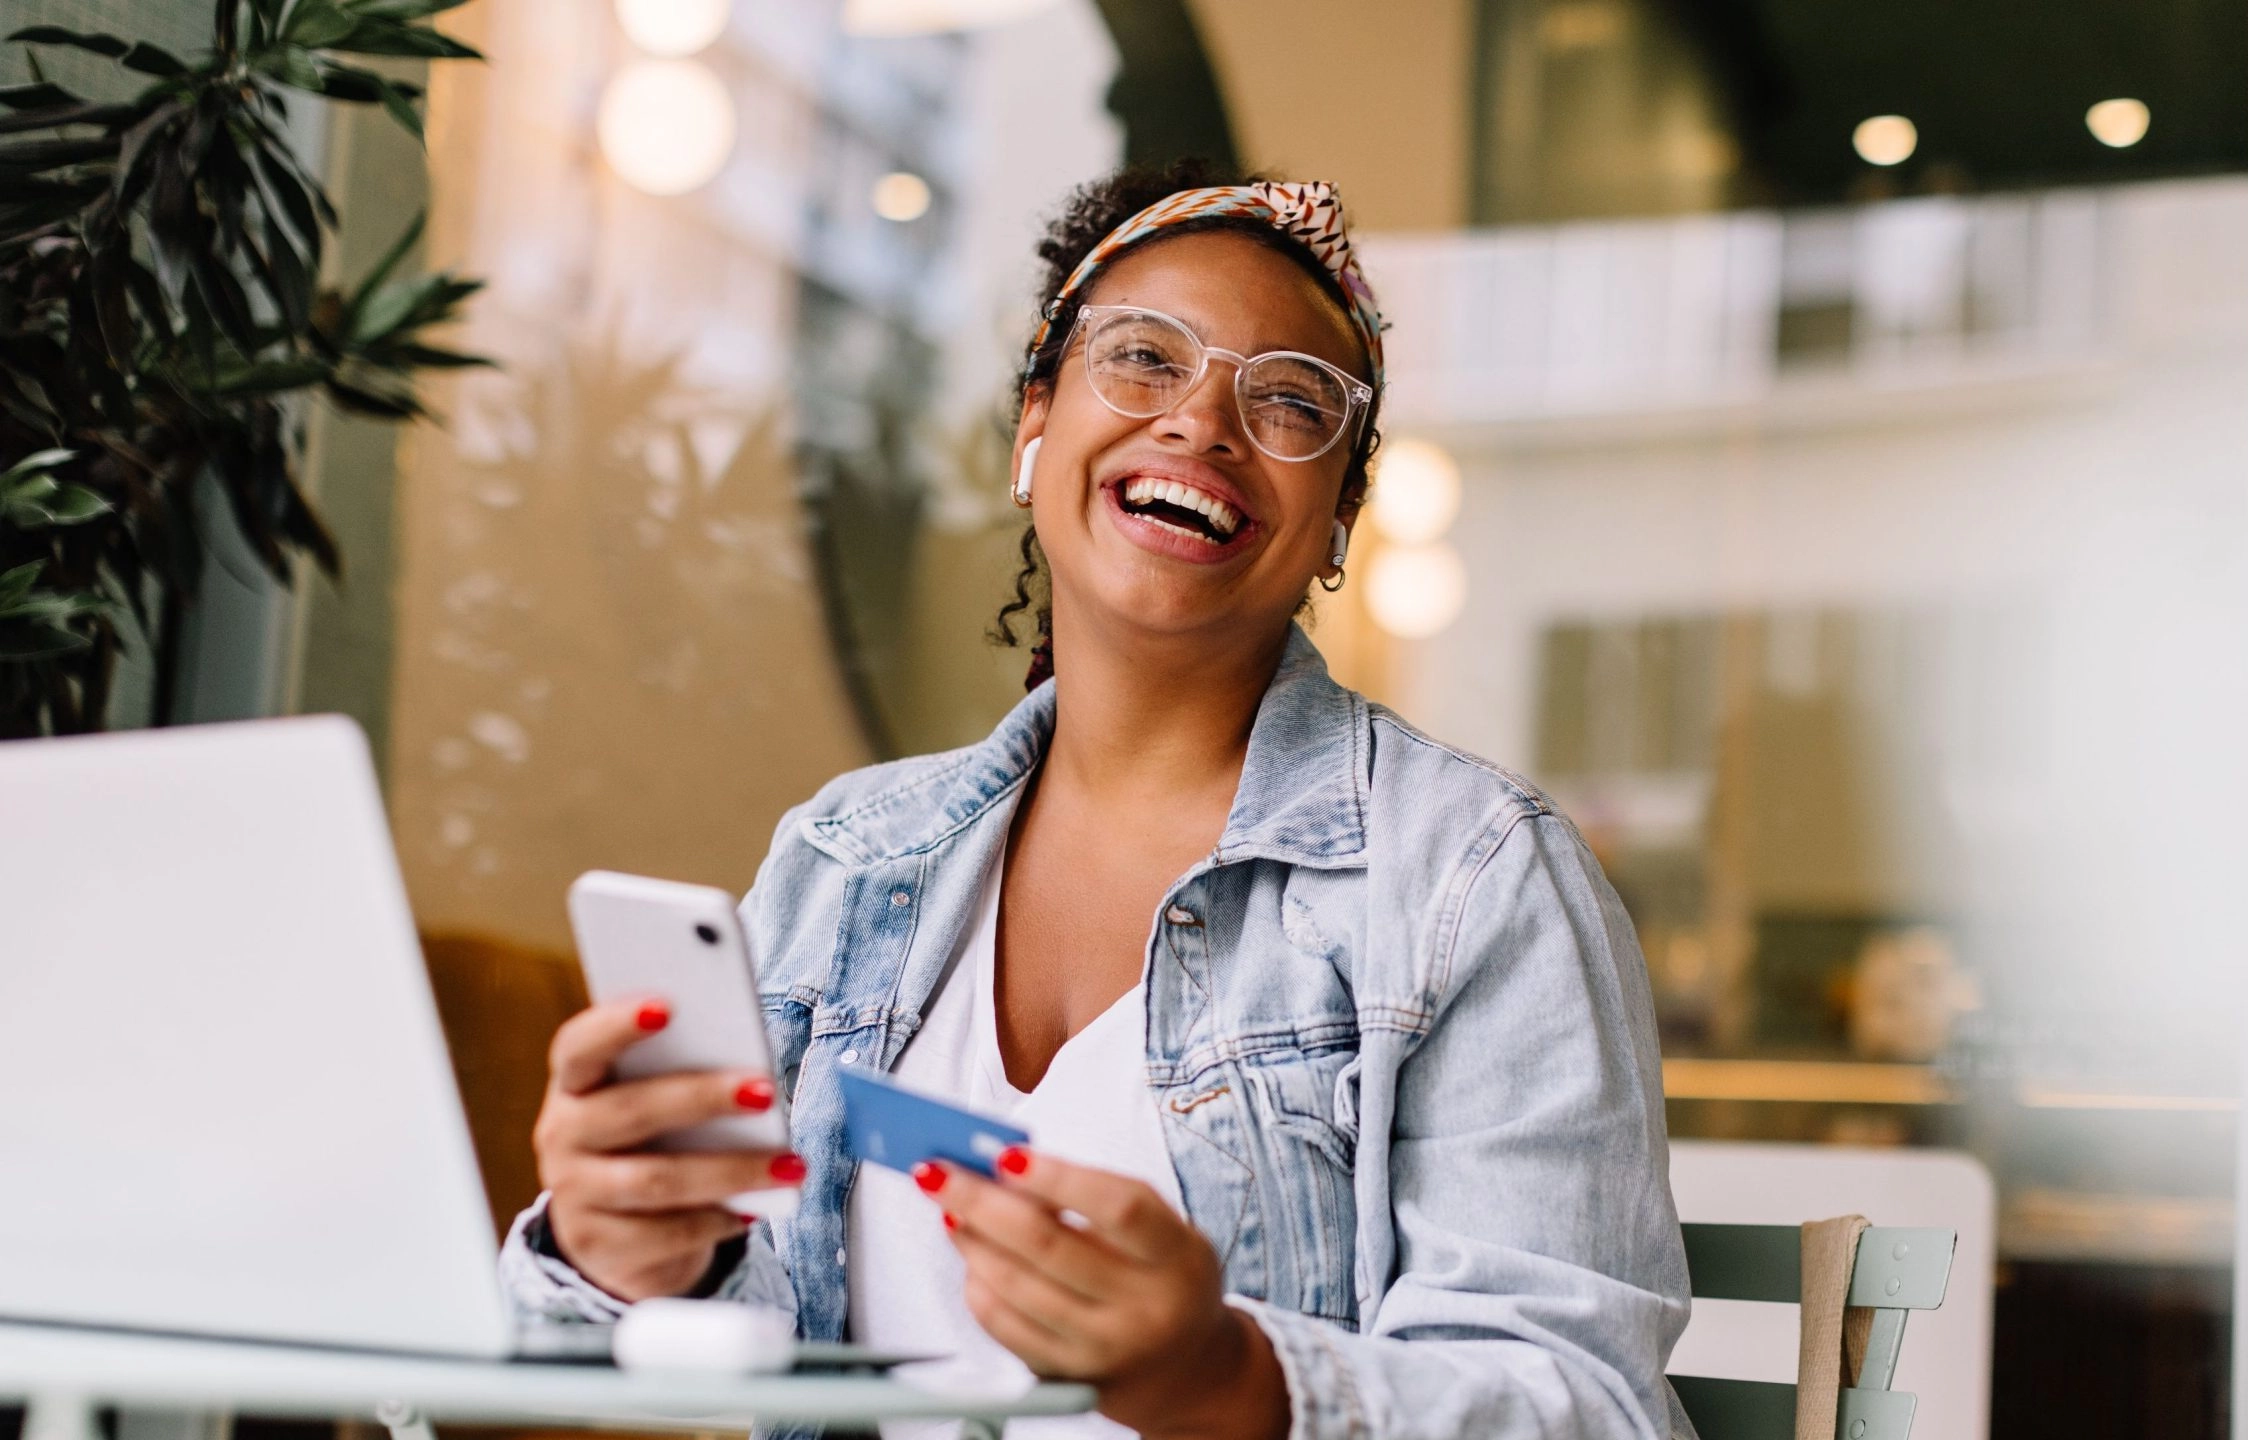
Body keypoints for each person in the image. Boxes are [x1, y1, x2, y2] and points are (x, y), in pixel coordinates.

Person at [501, 161, 1694, 1440]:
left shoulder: (1475, 880)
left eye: (1291, 401)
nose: (1201, 425)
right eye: (1142, 358)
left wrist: (1227, 1382)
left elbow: (1584, 1407)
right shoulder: (843, 858)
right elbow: (613, 1355)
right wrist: (622, 1256)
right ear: (1034, 425)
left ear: (1340, 518)